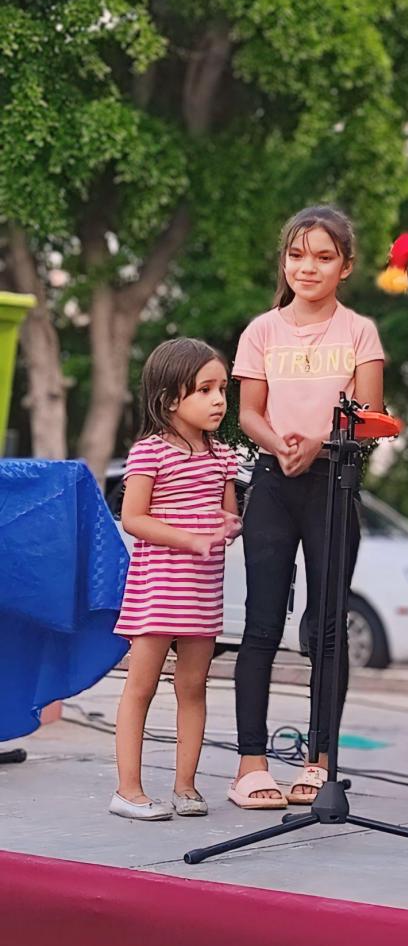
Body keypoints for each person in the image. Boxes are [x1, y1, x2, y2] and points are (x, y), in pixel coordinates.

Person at [229, 206, 385, 811]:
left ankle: (320, 762)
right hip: (273, 481)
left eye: (323, 256)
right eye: (297, 255)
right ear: (285, 261)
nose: (308, 267)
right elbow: (249, 412)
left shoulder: (359, 332)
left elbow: (369, 416)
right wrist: (281, 445)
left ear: (345, 266)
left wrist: (320, 442)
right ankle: (250, 763)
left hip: (333, 483)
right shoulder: (261, 331)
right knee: (261, 624)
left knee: (326, 628)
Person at [111, 339, 241, 820]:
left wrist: (229, 526)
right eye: (204, 390)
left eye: (222, 389)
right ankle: (128, 790)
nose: (218, 400)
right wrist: (190, 539)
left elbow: (228, 516)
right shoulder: (149, 453)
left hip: (202, 594)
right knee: (140, 688)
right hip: (158, 592)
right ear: (169, 399)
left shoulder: (223, 457)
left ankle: (186, 787)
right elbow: (133, 518)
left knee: (193, 687)